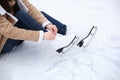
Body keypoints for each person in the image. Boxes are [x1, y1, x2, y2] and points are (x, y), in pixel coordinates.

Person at [0, 0, 77, 54]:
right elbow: (10, 32)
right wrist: (42, 35)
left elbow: (29, 8)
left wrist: (47, 24)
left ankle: (66, 31)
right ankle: (55, 41)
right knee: (21, 15)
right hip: (4, 43)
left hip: (14, 32)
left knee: (39, 14)